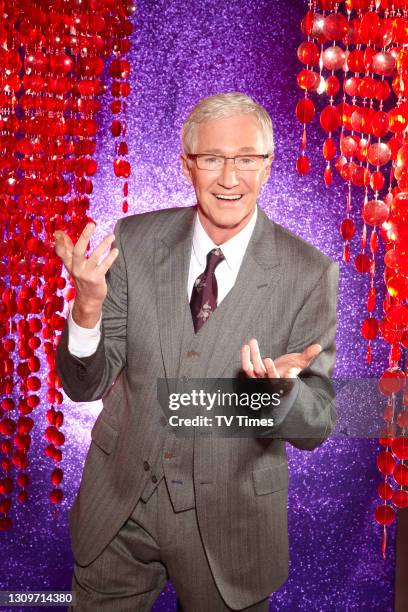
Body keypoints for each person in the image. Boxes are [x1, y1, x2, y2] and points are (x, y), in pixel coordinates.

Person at [55, 92, 339, 612]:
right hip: (118, 506)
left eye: (247, 159)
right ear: (187, 165)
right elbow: (84, 385)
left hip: (230, 524)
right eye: (212, 158)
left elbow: (317, 424)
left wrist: (280, 396)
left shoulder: (308, 272)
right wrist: (89, 310)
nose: (230, 178)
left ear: (268, 165)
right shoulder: (133, 240)